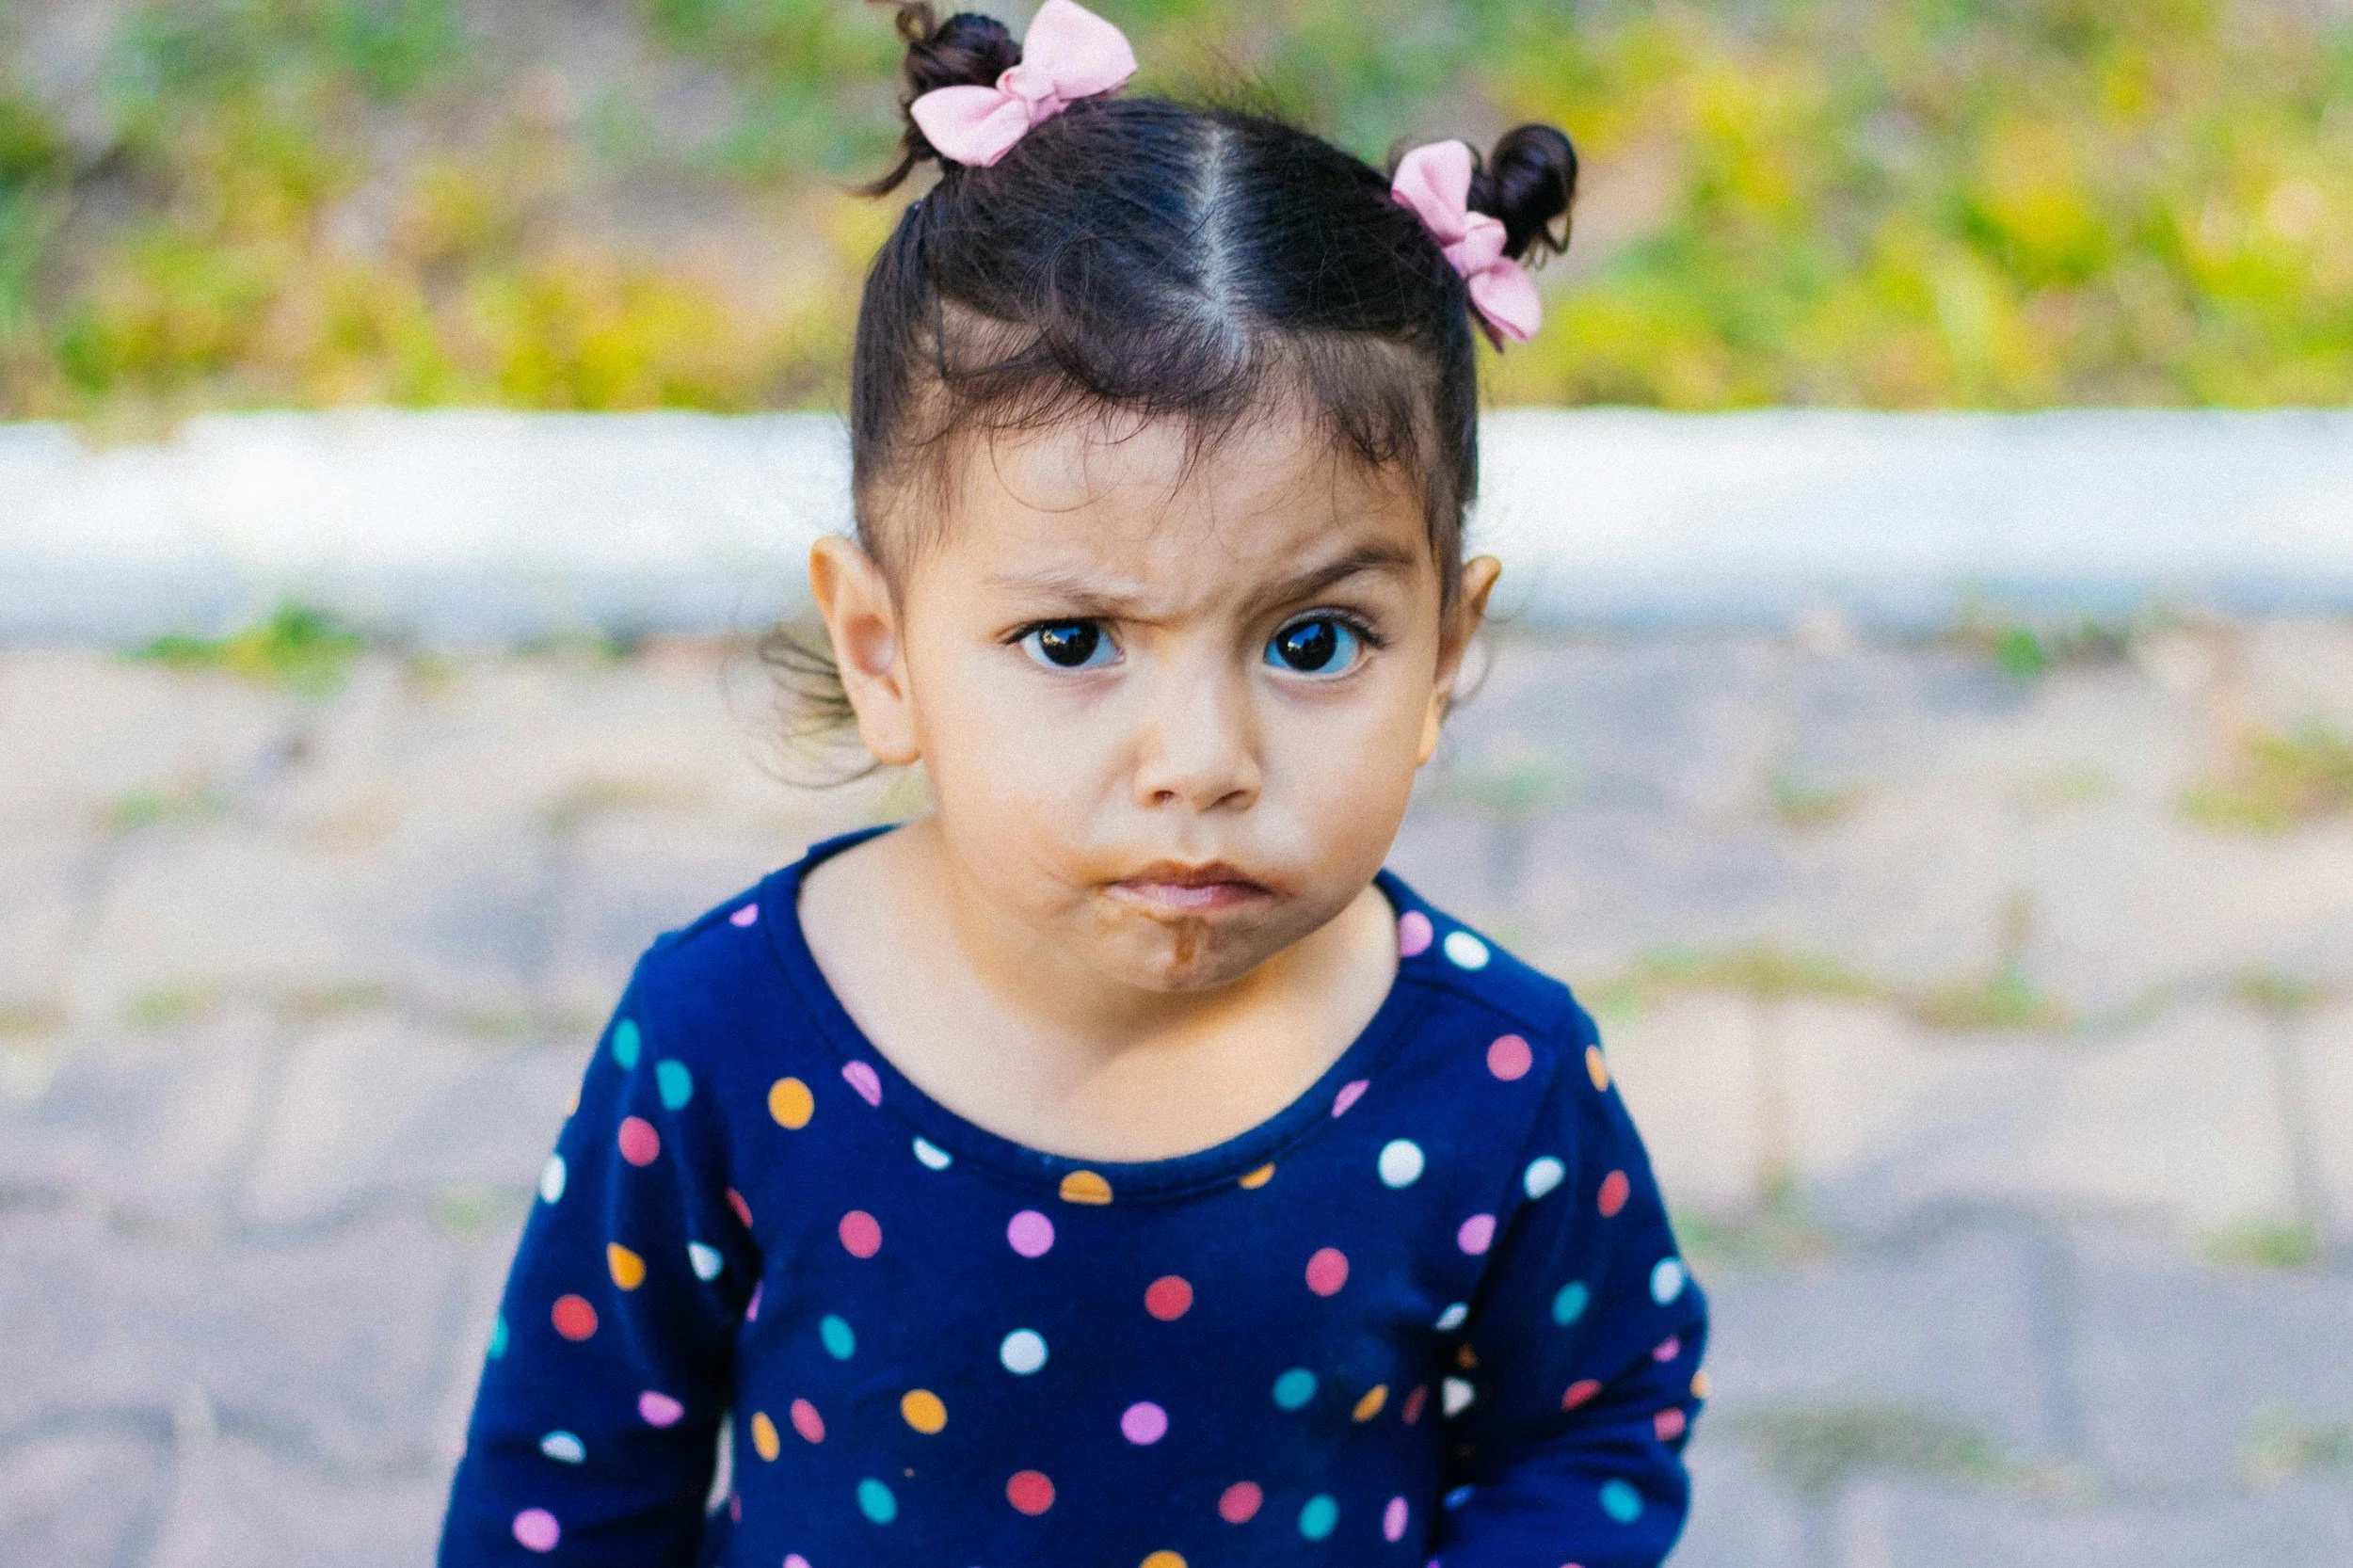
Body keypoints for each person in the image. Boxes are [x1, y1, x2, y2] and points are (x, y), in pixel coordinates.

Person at [437, 3, 1706, 1563]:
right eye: (1071, 637)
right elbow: (570, 1480)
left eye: (1315, 640)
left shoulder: (1492, 1077)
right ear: (884, 651)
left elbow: (1596, 1415)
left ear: (1445, 648)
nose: (1200, 763)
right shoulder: (724, 1034)